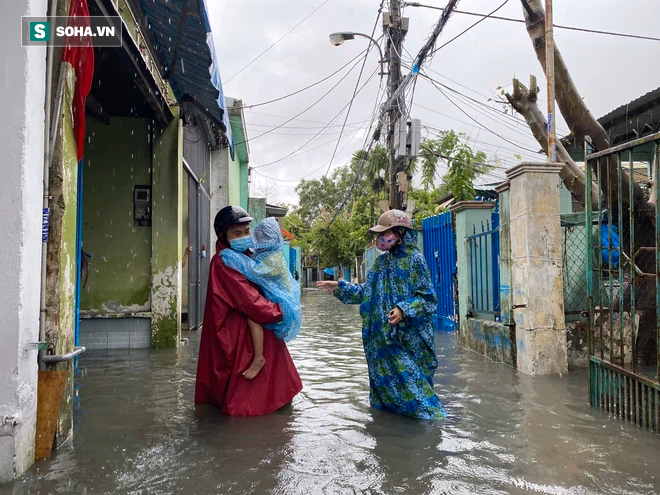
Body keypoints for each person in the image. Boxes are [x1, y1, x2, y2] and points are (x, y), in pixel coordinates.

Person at [318, 209, 447, 420]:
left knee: (418, 396)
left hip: (407, 341)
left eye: (384, 233)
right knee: (386, 400)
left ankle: (432, 436)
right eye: (379, 234)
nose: (379, 238)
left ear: (399, 234)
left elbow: (428, 299)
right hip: (381, 343)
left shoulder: (416, 261)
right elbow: (366, 292)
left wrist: (404, 310)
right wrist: (338, 287)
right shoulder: (381, 263)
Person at [195, 206, 303, 416]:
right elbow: (250, 302)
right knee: (247, 400)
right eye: (237, 233)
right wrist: (282, 310)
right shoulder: (225, 261)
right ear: (223, 235)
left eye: (246, 231)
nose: (244, 237)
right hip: (240, 334)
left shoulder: (245, 256)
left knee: (273, 396)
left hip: (255, 326)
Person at [221, 218, 302, 379]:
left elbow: (255, 271)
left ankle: (258, 358)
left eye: (266, 238)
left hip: (280, 301)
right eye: (260, 237)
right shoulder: (267, 253)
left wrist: (233, 257)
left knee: (253, 319)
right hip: (274, 299)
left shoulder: (274, 258)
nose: (261, 242)